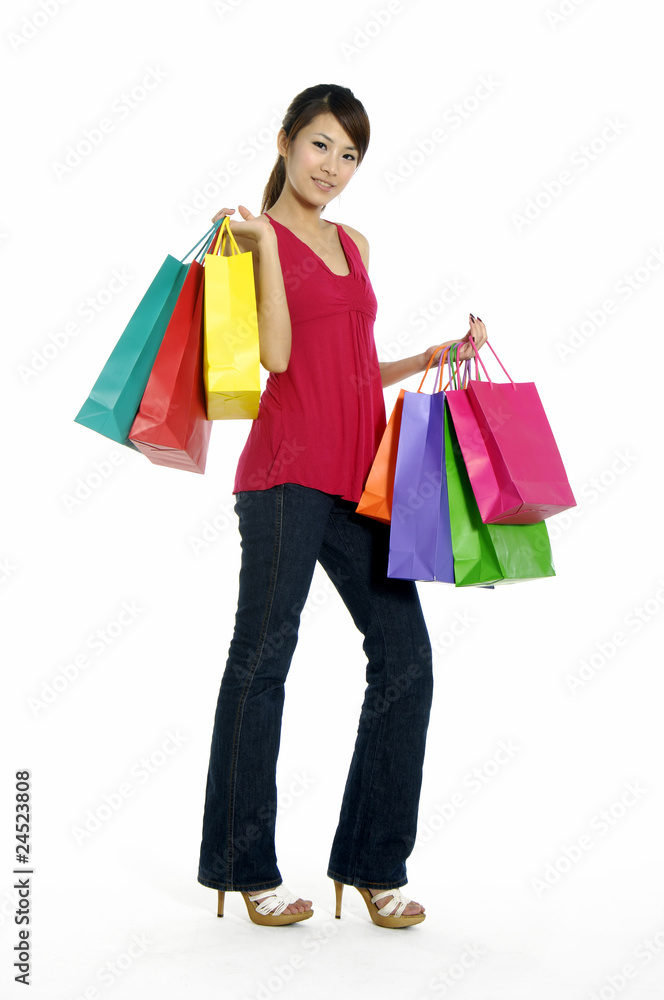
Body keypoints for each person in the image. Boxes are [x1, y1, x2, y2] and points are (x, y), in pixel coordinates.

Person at [197, 83, 487, 928]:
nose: (335, 167)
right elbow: (280, 359)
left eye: (351, 154)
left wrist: (432, 355)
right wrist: (260, 242)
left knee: (406, 662)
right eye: (321, 145)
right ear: (285, 141)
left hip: (362, 480)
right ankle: (245, 868)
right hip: (286, 477)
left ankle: (371, 862)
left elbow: (352, 360)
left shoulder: (356, 244)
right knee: (262, 662)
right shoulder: (248, 240)